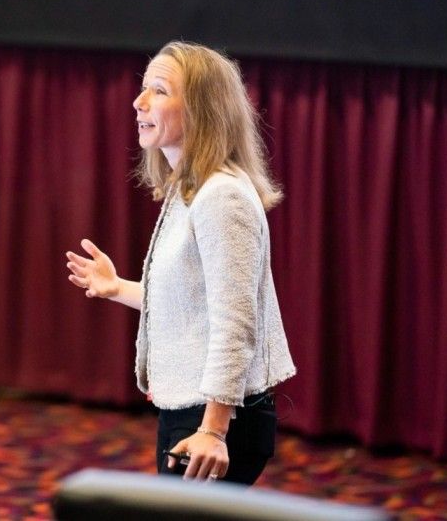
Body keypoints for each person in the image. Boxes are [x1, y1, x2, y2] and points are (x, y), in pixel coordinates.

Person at [65, 41, 296, 485]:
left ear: (201, 111)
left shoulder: (222, 196)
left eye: (159, 90)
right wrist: (118, 288)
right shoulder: (190, 190)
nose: (139, 101)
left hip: (217, 420)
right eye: (143, 88)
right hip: (197, 413)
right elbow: (194, 303)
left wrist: (212, 430)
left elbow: (235, 322)